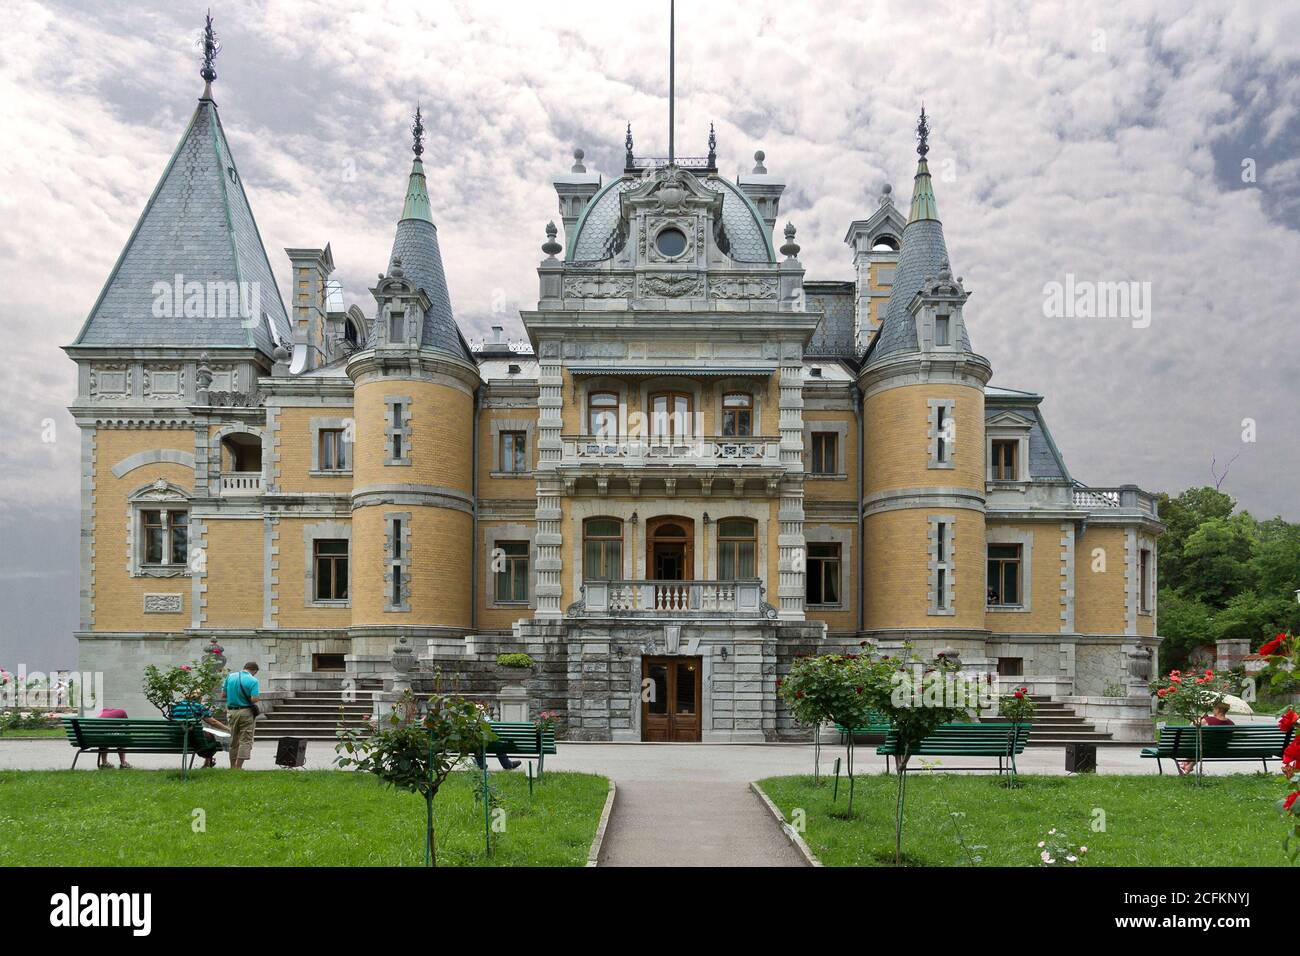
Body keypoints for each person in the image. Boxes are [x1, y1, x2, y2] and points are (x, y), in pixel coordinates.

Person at [170, 690, 230, 769]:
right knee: (211, 739)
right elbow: (212, 722)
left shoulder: (176, 706)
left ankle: (208, 762)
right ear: (199, 698)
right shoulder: (197, 706)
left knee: (204, 735)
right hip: (192, 741)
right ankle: (207, 763)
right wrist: (227, 728)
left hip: (176, 739)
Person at [1179, 700, 1234, 774]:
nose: (1213, 710)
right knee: (1202, 745)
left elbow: (1192, 725)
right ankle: (1187, 766)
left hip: (1206, 748)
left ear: (1219, 710)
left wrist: (1200, 719)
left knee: (1199, 745)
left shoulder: (1209, 720)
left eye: (1214, 709)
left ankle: (1186, 764)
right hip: (1222, 749)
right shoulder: (1231, 723)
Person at [223, 662, 260, 770]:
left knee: (234, 740)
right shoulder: (253, 680)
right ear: (254, 671)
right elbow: (254, 699)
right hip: (245, 712)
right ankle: (238, 767)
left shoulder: (230, 676)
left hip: (231, 712)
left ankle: (232, 766)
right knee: (245, 740)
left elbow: (223, 695)